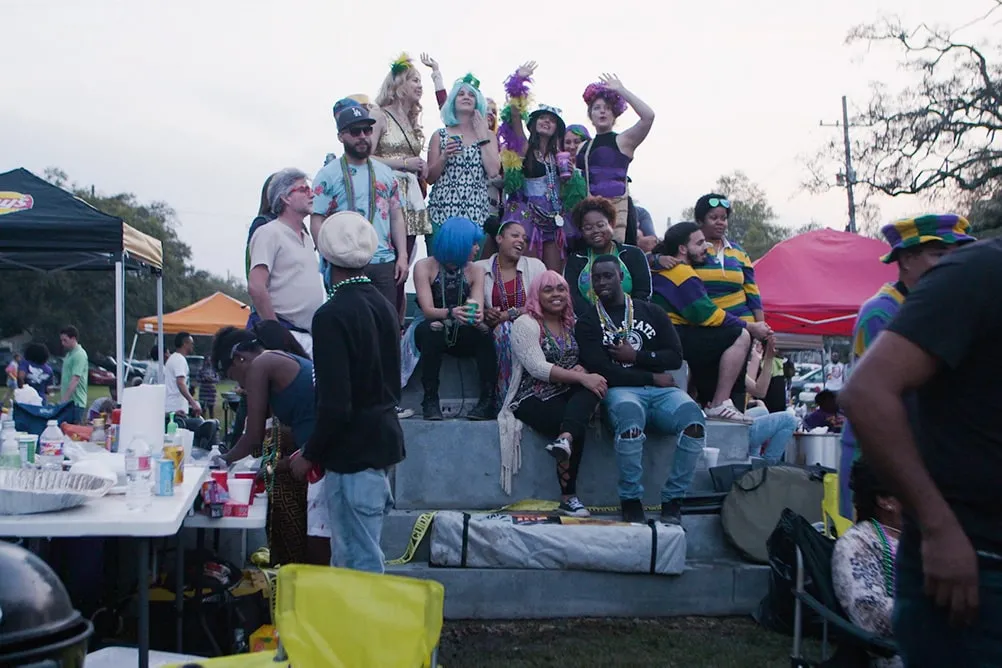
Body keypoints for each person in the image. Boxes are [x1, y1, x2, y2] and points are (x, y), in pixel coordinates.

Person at [840, 238, 1002, 667]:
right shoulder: (979, 273)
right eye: (931, 253)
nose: (936, 262)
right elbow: (867, 393)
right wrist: (938, 528)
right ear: (906, 261)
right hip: (973, 571)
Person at [291, 211, 406, 575]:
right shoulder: (384, 306)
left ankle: (362, 633)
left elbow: (337, 404)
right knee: (361, 554)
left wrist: (310, 453)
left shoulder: (331, 314)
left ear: (326, 258)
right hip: (380, 444)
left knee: (357, 563)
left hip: (352, 452)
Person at [838, 214, 975, 515]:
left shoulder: (949, 308)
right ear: (907, 260)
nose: (950, 264)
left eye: (957, 255)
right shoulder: (882, 313)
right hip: (880, 468)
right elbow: (876, 400)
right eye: (938, 254)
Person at [575, 255, 706, 524]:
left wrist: (636, 357)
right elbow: (601, 368)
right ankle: (631, 499)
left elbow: (674, 356)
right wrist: (650, 375)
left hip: (662, 393)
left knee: (695, 422)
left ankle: (673, 499)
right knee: (630, 423)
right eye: (596, 278)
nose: (602, 282)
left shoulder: (651, 311)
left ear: (621, 277)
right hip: (622, 390)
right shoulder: (588, 321)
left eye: (607, 275)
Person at [211, 327, 325, 567]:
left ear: (239, 358)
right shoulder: (279, 360)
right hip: (316, 453)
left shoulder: (261, 365)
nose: (239, 384)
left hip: (321, 461)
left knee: (317, 553)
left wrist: (221, 461)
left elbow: (252, 437)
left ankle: (297, 582)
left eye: (233, 375)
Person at [497, 271, 607, 515]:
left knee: (592, 390)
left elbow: (589, 356)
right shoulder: (525, 323)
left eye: (561, 288)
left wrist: (585, 368)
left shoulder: (572, 322)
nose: (556, 294)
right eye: (548, 290)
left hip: (566, 391)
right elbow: (537, 368)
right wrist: (580, 376)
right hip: (530, 395)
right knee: (572, 415)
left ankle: (564, 439)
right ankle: (569, 497)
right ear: (537, 294)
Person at [651, 222, 773, 421]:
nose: (706, 247)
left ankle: (702, 401)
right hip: (673, 336)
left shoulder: (658, 268)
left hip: (664, 336)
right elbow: (707, 315)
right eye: (699, 243)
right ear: (683, 249)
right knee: (739, 336)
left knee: (715, 339)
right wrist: (749, 326)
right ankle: (719, 403)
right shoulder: (683, 273)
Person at [311, 105, 409, 309]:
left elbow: (396, 216)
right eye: (355, 132)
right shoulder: (328, 175)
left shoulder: (385, 173)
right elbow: (317, 219)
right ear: (341, 136)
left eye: (367, 130)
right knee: (348, 325)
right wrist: (329, 255)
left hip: (383, 260)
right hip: (343, 262)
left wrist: (402, 256)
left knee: (385, 324)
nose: (363, 136)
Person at [497, 62, 587, 270]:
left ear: (557, 128)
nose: (546, 122)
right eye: (542, 118)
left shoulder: (561, 156)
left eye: (551, 120)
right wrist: (518, 82)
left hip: (555, 220)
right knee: (528, 271)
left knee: (553, 274)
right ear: (533, 123)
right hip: (527, 217)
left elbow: (571, 193)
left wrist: (573, 178)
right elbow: (515, 116)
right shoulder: (525, 147)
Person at [412, 217, 497, 420]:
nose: (477, 248)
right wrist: (450, 313)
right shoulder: (424, 266)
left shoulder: (476, 269)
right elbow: (428, 310)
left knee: (484, 335)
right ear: (459, 243)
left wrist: (476, 315)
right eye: (473, 243)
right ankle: (430, 399)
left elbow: (475, 306)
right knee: (431, 329)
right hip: (435, 325)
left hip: (462, 328)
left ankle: (487, 400)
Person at [372, 53, 435, 322]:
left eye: (421, 81)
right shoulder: (379, 115)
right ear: (398, 84)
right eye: (414, 80)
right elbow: (366, 157)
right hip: (386, 197)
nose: (419, 86)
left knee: (404, 264)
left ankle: (396, 326)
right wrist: (405, 162)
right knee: (387, 264)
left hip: (411, 198)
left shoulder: (411, 123)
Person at [831, 459, 904, 668]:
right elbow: (871, 616)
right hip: (900, 653)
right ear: (885, 500)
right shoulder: (856, 545)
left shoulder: (925, 539)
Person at [248, 167, 326, 358]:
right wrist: (276, 334)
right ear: (285, 198)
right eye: (303, 189)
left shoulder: (307, 238)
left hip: (305, 336)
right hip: (284, 331)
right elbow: (256, 286)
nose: (311, 193)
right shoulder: (268, 232)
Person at [576, 75, 655, 244]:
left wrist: (621, 90)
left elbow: (648, 116)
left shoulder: (624, 140)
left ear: (614, 114)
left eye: (607, 108)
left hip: (620, 211)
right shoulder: (582, 147)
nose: (602, 111)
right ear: (591, 115)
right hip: (591, 213)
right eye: (597, 108)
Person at [475, 218, 546, 405]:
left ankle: (517, 396)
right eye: (514, 235)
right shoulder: (479, 268)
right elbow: (471, 303)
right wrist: (485, 313)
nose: (521, 241)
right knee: (504, 330)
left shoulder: (536, 266)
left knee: (508, 328)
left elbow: (544, 304)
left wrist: (509, 315)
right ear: (499, 238)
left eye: (524, 238)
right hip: (493, 331)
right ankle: (507, 398)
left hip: (532, 326)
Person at [426, 74, 501, 244]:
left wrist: (482, 137)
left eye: (471, 94)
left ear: (478, 102)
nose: (466, 97)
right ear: (452, 101)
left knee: (470, 268)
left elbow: (493, 171)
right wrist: (444, 156)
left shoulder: (489, 135)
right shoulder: (440, 135)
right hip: (442, 214)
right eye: (461, 94)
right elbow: (429, 178)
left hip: (475, 215)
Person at [682, 193, 764, 326]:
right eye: (713, 218)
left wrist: (762, 328)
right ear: (700, 221)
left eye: (724, 218)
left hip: (747, 324)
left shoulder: (738, 252)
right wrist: (659, 259)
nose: (720, 222)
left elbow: (752, 292)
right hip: (709, 323)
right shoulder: (691, 250)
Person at [564, 196, 651, 316]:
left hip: (631, 322)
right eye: (588, 228)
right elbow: (572, 296)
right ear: (581, 232)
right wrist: (594, 320)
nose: (595, 231)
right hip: (590, 323)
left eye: (600, 225)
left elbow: (643, 292)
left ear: (611, 224)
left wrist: (627, 318)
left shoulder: (633, 254)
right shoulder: (576, 259)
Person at [744, 339, 797, 464]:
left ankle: (753, 458)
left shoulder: (727, 361)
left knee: (762, 411)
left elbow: (752, 387)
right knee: (790, 420)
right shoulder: (734, 363)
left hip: (734, 420)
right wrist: (766, 358)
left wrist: (758, 358)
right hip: (735, 427)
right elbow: (759, 390)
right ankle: (768, 466)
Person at [164, 332, 200, 417]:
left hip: (171, 406)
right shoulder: (179, 360)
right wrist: (193, 402)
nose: (192, 346)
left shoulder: (173, 358)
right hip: (176, 408)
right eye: (191, 343)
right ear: (185, 344)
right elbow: (180, 383)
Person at [58, 326, 89, 424]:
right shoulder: (69, 355)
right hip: (68, 403)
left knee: (73, 433)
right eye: (61, 340)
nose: (63, 343)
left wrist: (64, 400)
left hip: (75, 403)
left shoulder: (79, 355)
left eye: (65, 340)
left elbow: (75, 379)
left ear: (73, 339)